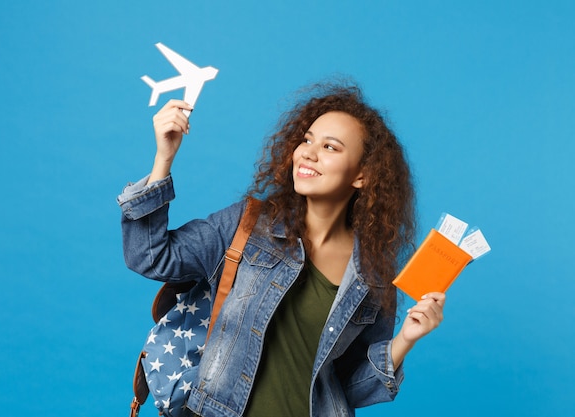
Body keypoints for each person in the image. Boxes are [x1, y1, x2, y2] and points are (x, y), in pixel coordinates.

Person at [118, 82, 445, 417]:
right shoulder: (246, 225)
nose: (308, 152)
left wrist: (406, 338)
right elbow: (150, 256)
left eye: (330, 147)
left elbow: (351, 388)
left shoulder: (373, 275)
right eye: (307, 140)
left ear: (362, 175)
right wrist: (164, 159)